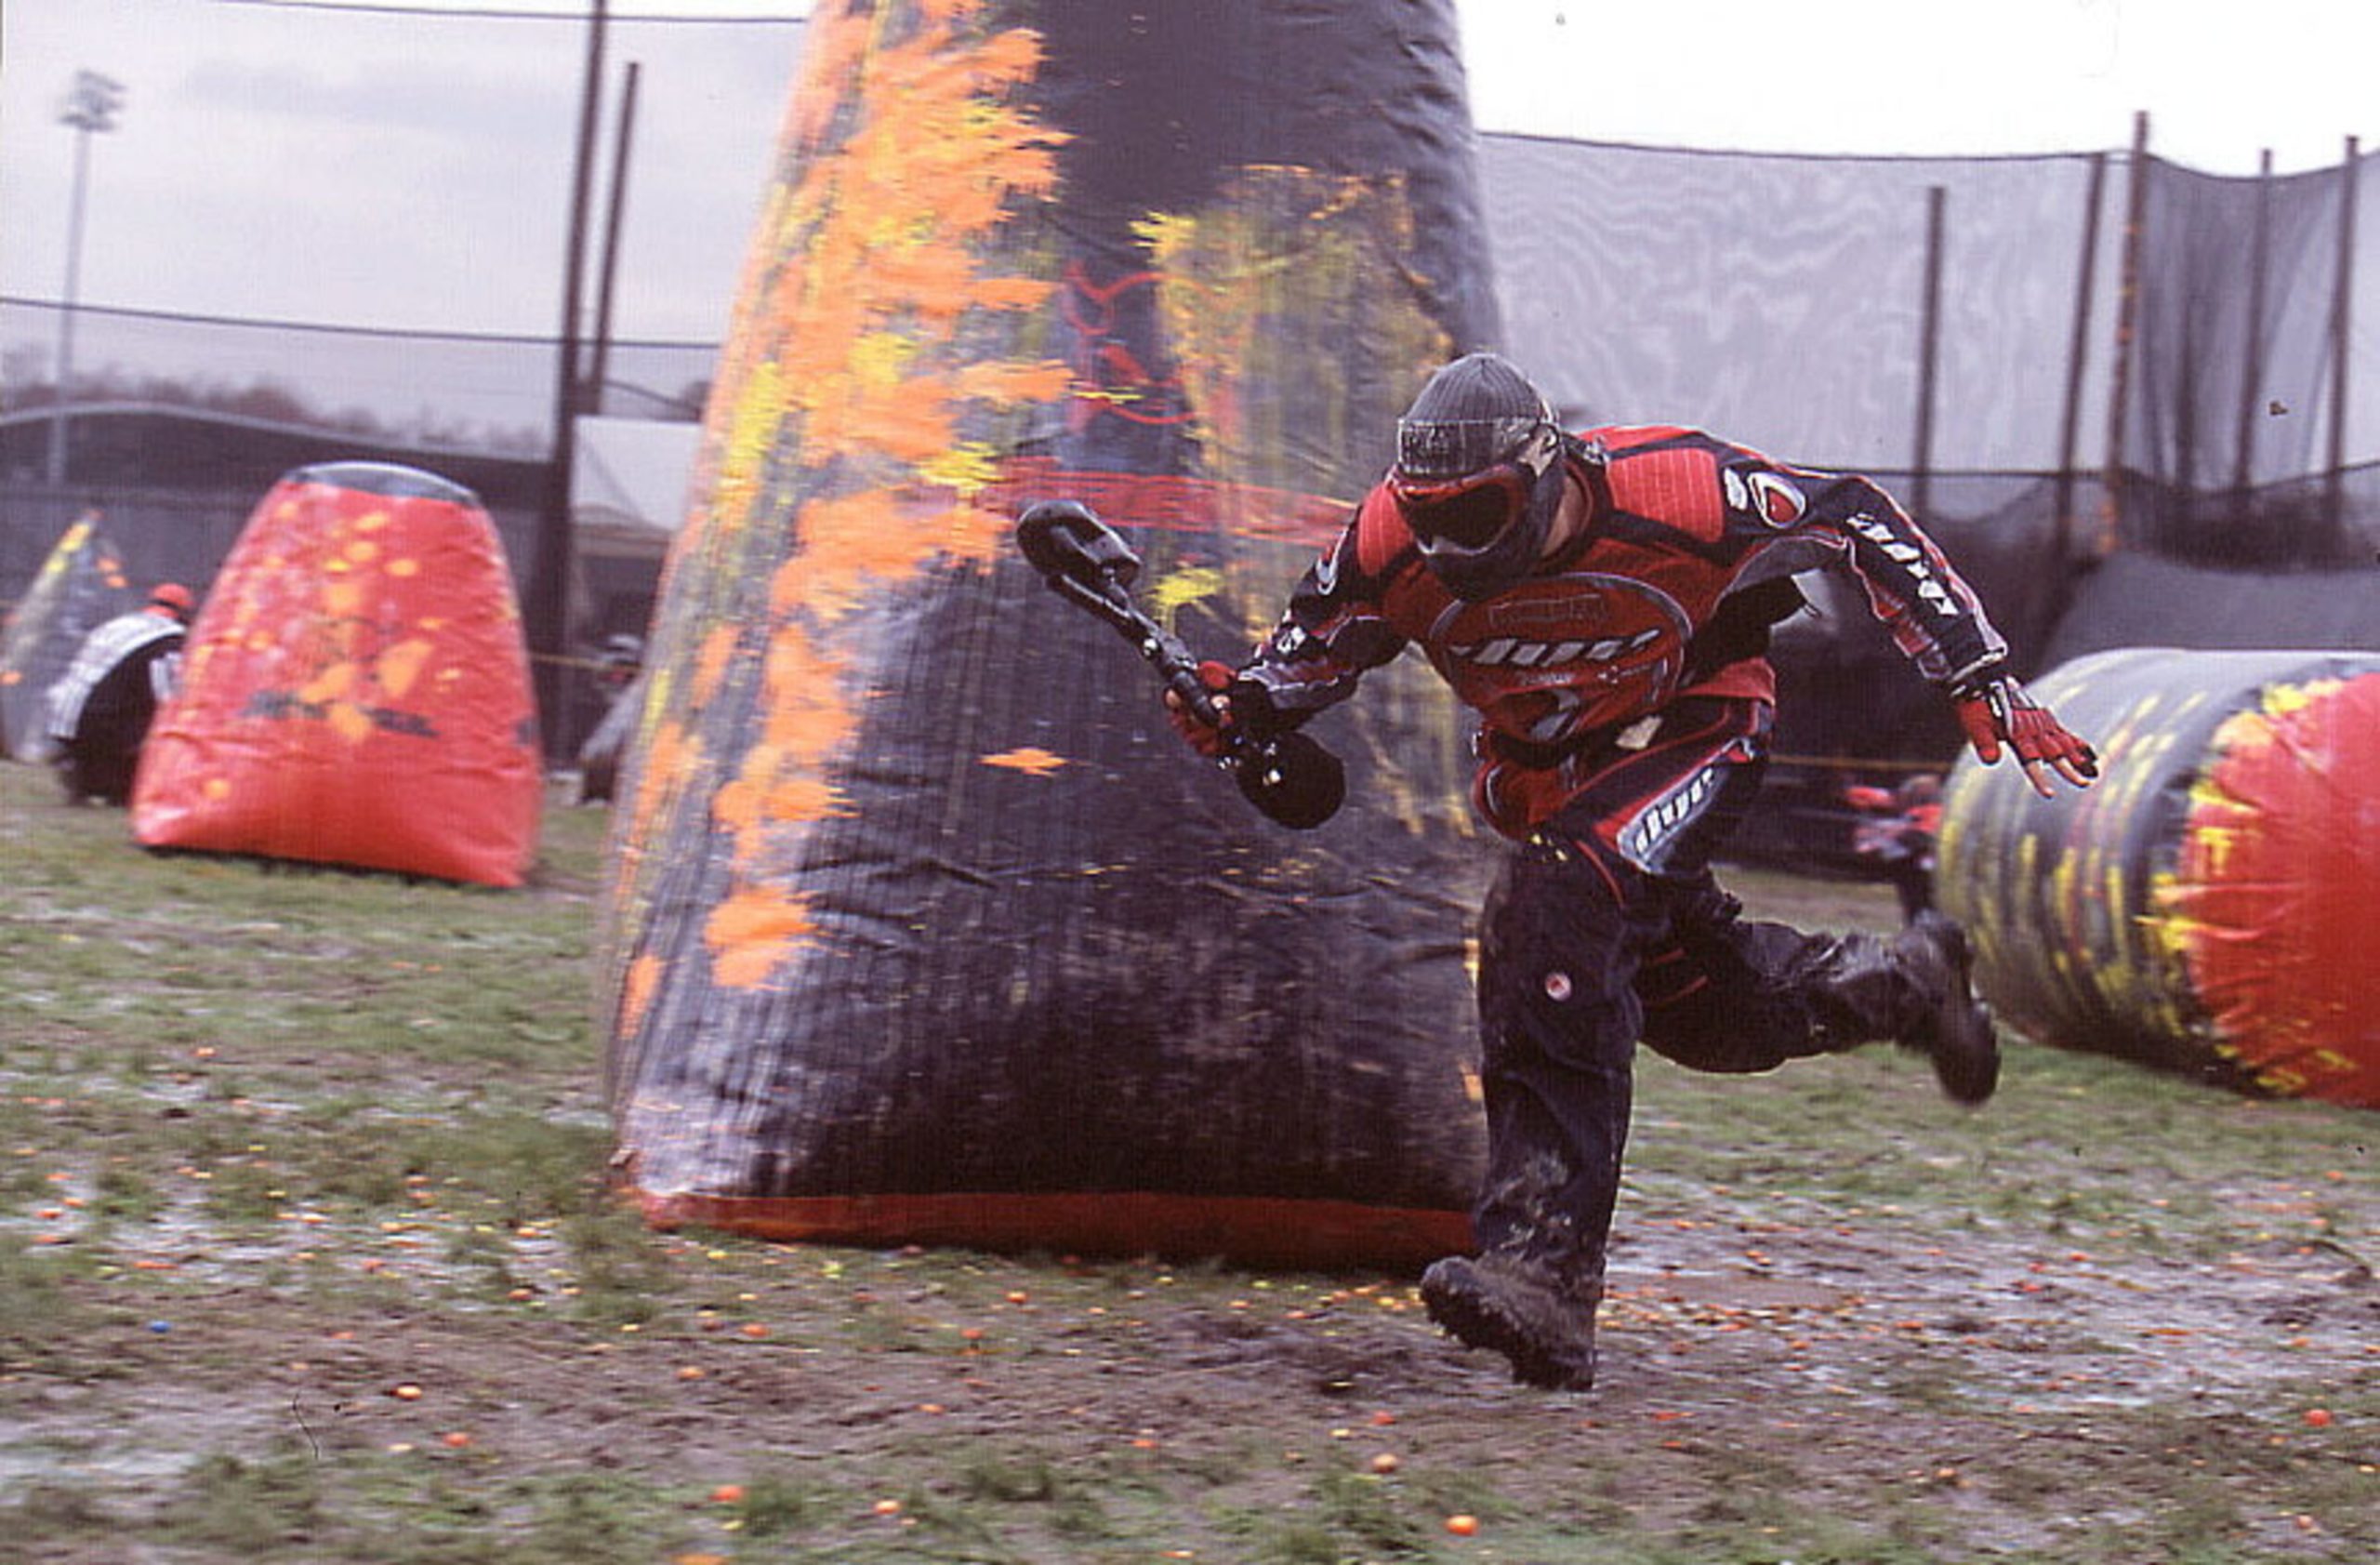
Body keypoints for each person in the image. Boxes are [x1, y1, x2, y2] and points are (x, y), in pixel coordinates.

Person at [1165, 352, 2097, 1391]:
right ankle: (1903, 983)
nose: (1445, 545)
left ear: (1543, 474)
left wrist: (1976, 671)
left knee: (1552, 903)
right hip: (1554, 778)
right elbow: (1302, 664)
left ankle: (1544, 1269)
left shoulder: (1683, 492)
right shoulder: (1384, 543)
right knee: (1702, 1013)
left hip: (1694, 727)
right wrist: (1238, 710)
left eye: (1475, 514)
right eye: (1425, 516)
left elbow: (1853, 513)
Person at [45, 582, 193, 805]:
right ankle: (115, 785)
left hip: (63, 716)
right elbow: (165, 693)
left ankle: (81, 774)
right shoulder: (169, 638)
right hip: (101, 723)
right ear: (183, 612)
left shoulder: (117, 624)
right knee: (151, 723)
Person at [1846, 771, 1946, 922]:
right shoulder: (1918, 814)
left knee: (1919, 894)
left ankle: (1923, 922)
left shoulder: (1926, 814)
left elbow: (1915, 835)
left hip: (1924, 860)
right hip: (1920, 860)